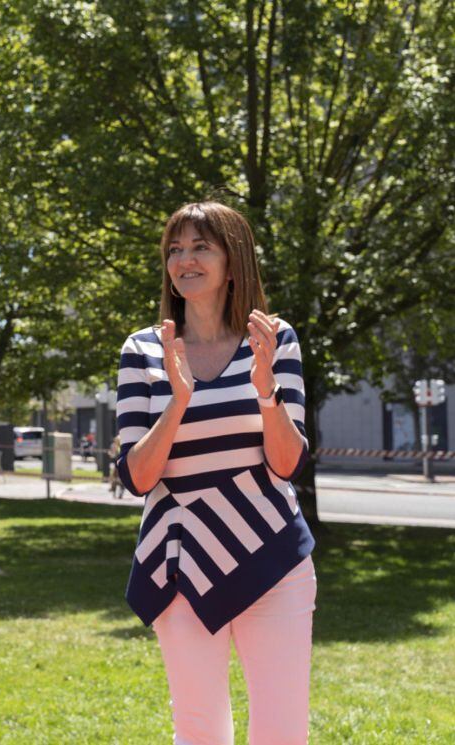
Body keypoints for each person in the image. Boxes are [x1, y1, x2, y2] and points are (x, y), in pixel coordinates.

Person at [114, 202, 316, 744]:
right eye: (175, 250)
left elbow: (286, 463)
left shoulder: (276, 339)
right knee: (199, 729)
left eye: (201, 246)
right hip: (179, 559)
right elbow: (137, 476)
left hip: (272, 555)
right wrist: (178, 401)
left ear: (234, 258)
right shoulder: (142, 350)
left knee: (280, 729)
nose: (185, 260)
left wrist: (266, 389)